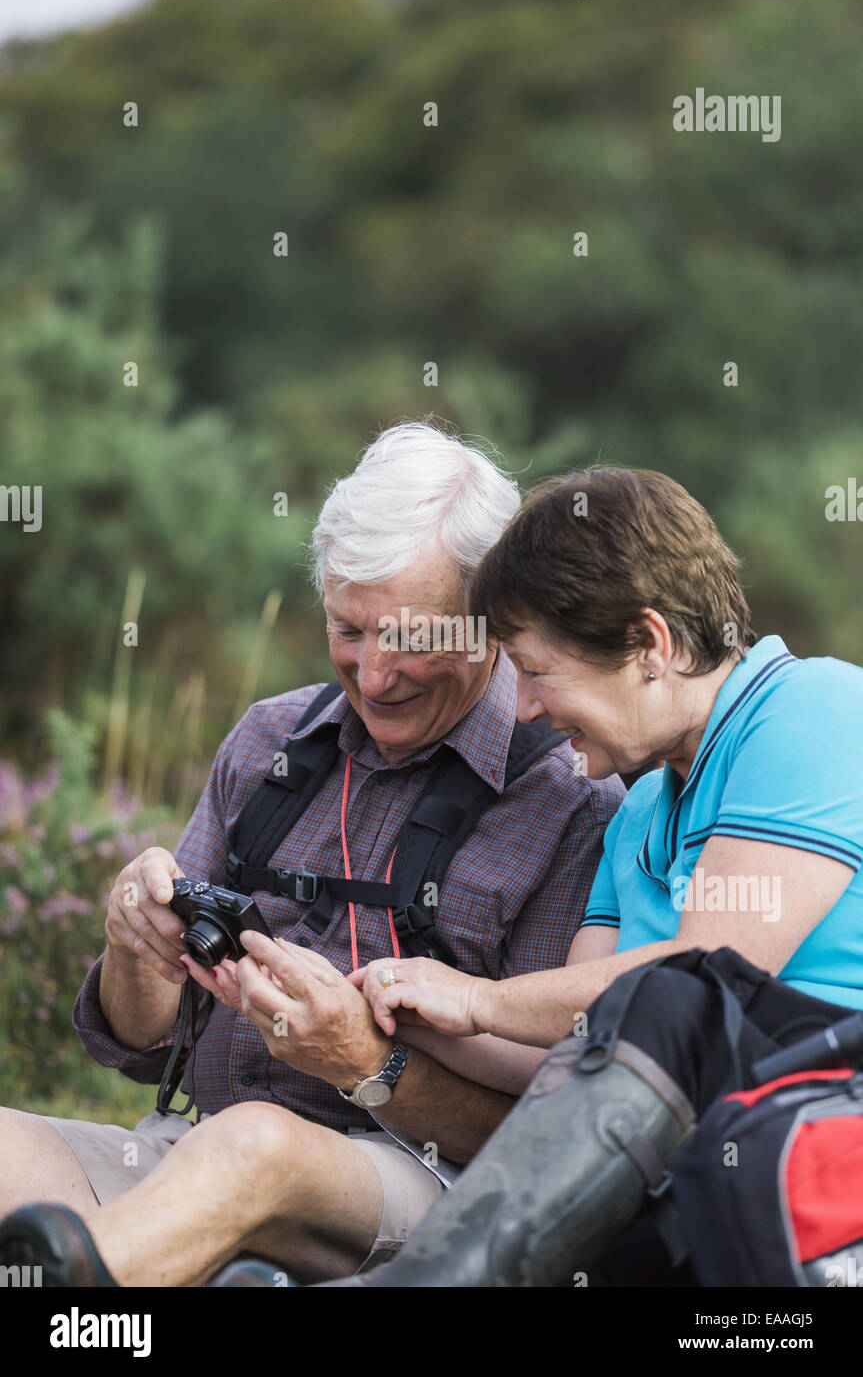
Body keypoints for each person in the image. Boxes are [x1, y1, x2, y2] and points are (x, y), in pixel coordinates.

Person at [0, 424, 623, 1287]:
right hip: (189, 1158)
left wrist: (367, 1063)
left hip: (424, 1187)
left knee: (252, 1147)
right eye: (348, 630)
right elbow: (138, 1044)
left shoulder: (572, 798)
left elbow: (550, 1137)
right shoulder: (268, 741)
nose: (373, 676)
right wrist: (132, 943)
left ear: (493, 621)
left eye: (410, 637)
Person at [287, 462, 863, 1289]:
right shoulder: (632, 814)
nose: (521, 707)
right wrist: (390, 1002)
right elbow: (575, 1047)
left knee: (671, 996)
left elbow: (703, 981)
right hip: (703, 1195)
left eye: (535, 670)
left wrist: (478, 996)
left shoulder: (809, 713)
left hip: (821, 1167)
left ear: (649, 646)